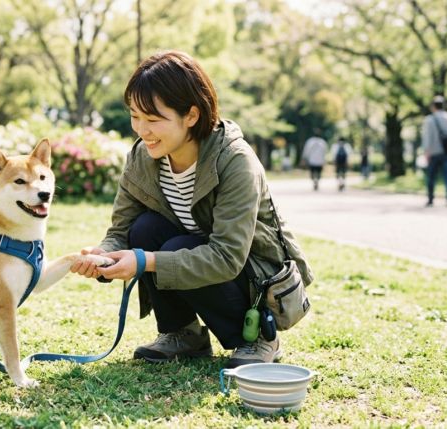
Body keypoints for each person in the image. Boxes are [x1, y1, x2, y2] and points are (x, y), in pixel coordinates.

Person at [69, 51, 314, 369]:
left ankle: (260, 339)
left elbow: (227, 257)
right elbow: (122, 230)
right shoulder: (141, 159)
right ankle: (184, 334)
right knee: (144, 229)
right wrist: (103, 256)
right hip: (196, 260)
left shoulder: (235, 161)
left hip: (252, 279)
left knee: (172, 247)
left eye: (154, 119)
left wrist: (144, 260)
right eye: (135, 116)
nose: (142, 130)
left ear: (192, 116)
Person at [422, 95, 447, 207]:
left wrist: (426, 152)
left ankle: (430, 198)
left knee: (431, 176)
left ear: (433, 107)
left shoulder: (429, 120)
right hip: (446, 152)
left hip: (433, 152)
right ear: (444, 106)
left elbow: (427, 138)